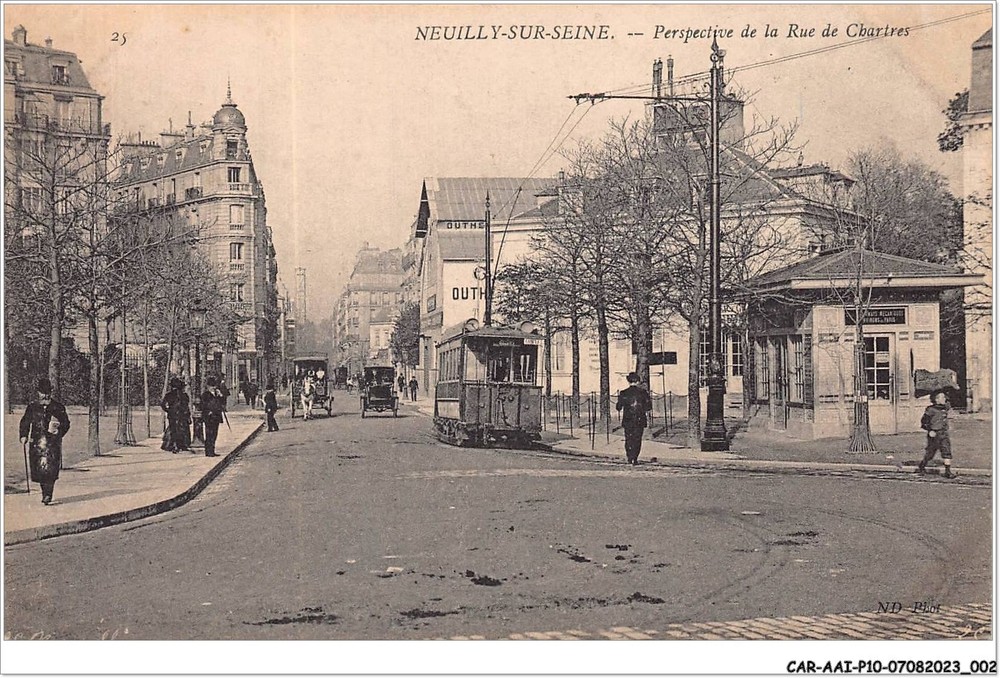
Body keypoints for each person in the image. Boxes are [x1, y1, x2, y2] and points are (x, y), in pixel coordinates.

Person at [19, 377, 71, 505]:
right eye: (43, 392)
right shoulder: (32, 407)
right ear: (38, 393)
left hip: (52, 444)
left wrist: (59, 433)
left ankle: (48, 494)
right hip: (37, 443)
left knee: (51, 470)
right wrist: (23, 435)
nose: (45, 395)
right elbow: (25, 422)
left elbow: (66, 424)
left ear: (51, 393)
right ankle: (45, 493)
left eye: (48, 392)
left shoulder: (58, 407)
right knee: (40, 469)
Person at [616, 372, 652, 466]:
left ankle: (629, 457)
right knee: (637, 439)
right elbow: (649, 407)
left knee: (628, 438)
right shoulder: (643, 393)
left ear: (628, 381)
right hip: (640, 419)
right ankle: (635, 458)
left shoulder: (623, 393)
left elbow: (618, 407)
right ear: (638, 381)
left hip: (628, 419)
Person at [919, 391, 955, 478]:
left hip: (944, 433)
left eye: (944, 397)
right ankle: (922, 465)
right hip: (934, 433)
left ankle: (948, 471)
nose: (944, 399)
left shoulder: (945, 407)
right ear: (936, 399)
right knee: (930, 453)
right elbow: (924, 421)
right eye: (942, 397)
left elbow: (949, 402)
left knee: (947, 451)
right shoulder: (930, 409)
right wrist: (929, 430)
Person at [160, 377, 192, 453]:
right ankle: (182, 445)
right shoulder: (184, 395)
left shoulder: (169, 395)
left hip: (173, 415)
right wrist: (188, 415)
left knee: (173, 430)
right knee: (183, 430)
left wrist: (168, 411)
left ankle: (175, 446)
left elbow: (163, 405)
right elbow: (186, 407)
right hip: (182, 415)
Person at [200, 376, 225, 458]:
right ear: (208, 386)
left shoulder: (217, 394)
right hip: (209, 417)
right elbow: (203, 405)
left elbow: (221, 404)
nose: (213, 388)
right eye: (212, 386)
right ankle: (208, 451)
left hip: (216, 416)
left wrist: (220, 395)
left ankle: (212, 450)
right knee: (209, 434)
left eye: (214, 386)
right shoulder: (205, 395)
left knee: (214, 434)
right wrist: (208, 412)